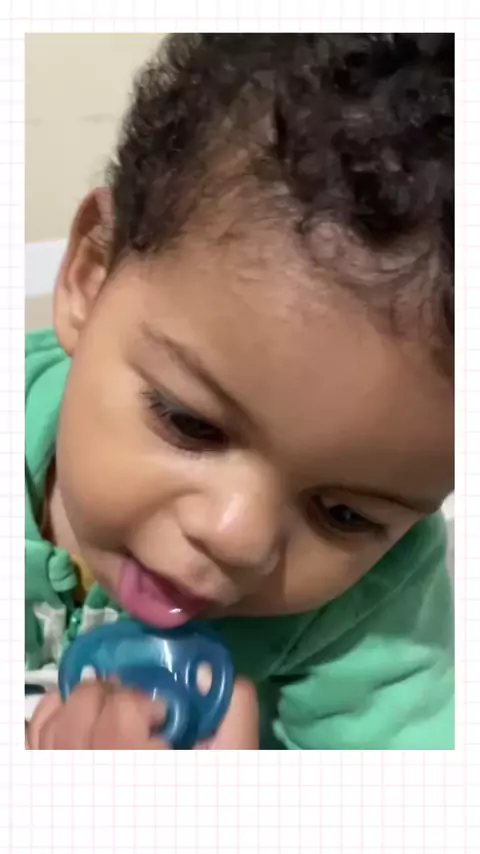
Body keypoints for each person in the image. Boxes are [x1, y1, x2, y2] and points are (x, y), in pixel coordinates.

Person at [25, 33, 454, 749]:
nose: (237, 537)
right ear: (91, 276)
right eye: (189, 424)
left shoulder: (379, 616)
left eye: (344, 514)